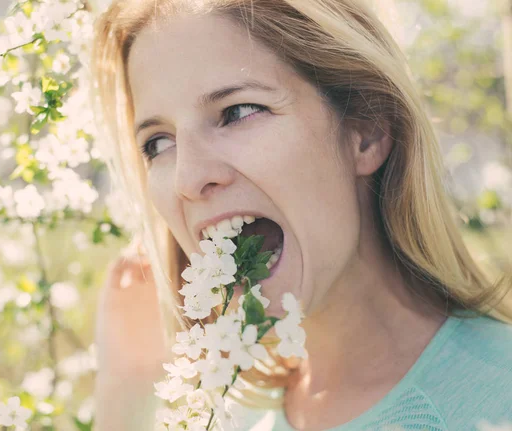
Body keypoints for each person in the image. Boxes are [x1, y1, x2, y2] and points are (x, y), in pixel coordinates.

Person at [91, 0, 512, 429]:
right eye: (158, 143)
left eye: (237, 112)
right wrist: (124, 390)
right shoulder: (225, 414)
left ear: (367, 130)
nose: (188, 178)